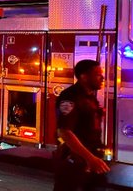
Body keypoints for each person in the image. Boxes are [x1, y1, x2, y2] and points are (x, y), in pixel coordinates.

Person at [53, 59, 110, 191]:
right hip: (74, 163)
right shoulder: (70, 97)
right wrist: (90, 159)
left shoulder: (90, 97)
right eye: (97, 74)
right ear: (84, 76)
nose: (102, 77)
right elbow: (65, 131)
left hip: (90, 160)